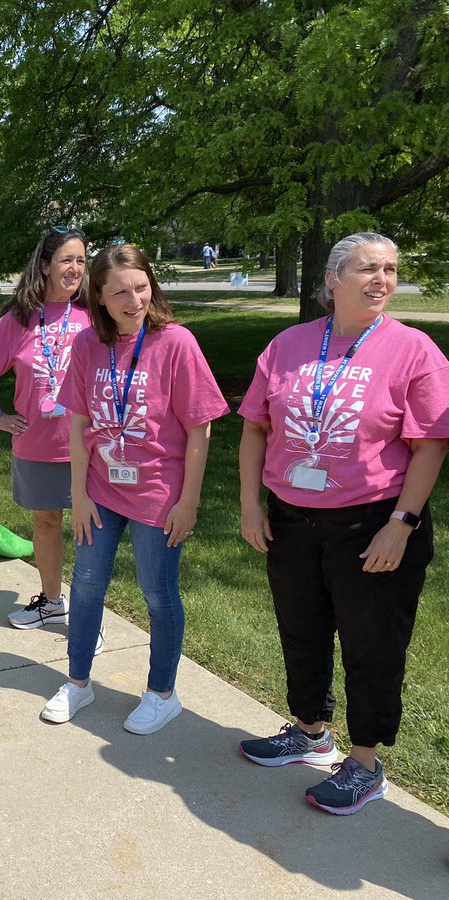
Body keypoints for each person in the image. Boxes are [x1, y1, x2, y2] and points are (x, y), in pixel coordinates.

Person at [236, 232, 449, 815]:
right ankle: (308, 731)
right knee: (300, 628)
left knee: (371, 643)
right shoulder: (288, 345)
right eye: (367, 269)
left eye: (390, 269)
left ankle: (364, 762)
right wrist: (251, 504)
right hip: (292, 518)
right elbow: (255, 426)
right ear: (332, 280)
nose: (382, 279)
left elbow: (430, 443)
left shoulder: (414, 350)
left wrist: (401, 523)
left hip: (373, 522)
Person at [41, 244, 227, 734]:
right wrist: (79, 494)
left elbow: (199, 429)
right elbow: (79, 424)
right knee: (84, 587)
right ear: (98, 297)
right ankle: (78, 683)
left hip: (157, 495)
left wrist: (188, 501)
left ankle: (162, 693)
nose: (134, 300)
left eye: (141, 287)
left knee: (158, 594)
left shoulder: (176, 342)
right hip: (100, 491)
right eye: (120, 291)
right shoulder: (87, 345)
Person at [0, 229, 92, 630]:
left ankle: (89, 616)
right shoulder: (19, 319)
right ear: (45, 266)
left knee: (94, 532)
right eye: (66, 260)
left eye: (81, 261)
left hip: (90, 446)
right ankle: (53, 601)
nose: (75, 269)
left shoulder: (96, 314)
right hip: (37, 445)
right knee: (46, 523)